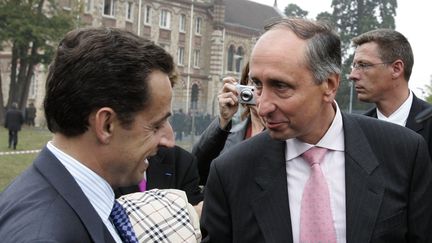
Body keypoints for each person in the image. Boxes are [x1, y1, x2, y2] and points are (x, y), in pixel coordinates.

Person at [200, 18, 432, 242]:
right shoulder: (231, 172)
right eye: (258, 85)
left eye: (280, 86)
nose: (262, 106)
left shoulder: (403, 153)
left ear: (329, 85)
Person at [0, 27, 176, 242]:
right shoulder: (43, 233)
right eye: (156, 126)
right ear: (106, 125)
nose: (169, 140)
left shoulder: (75, 199)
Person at [349, 29, 432, 157]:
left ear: (396, 69)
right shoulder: (355, 131)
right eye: (354, 66)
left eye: (364, 65)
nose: (352, 75)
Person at [192, 62, 265, 185]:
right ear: (244, 85)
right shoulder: (227, 134)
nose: (259, 92)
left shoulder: (284, 137)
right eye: (255, 83)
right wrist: (223, 120)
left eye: (266, 85)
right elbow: (195, 171)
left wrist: (267, 118)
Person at [115, 145, 204, 206]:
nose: (170, 139)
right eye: (156, 126)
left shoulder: (181, 161)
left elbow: (197, 220)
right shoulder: (104, 171)